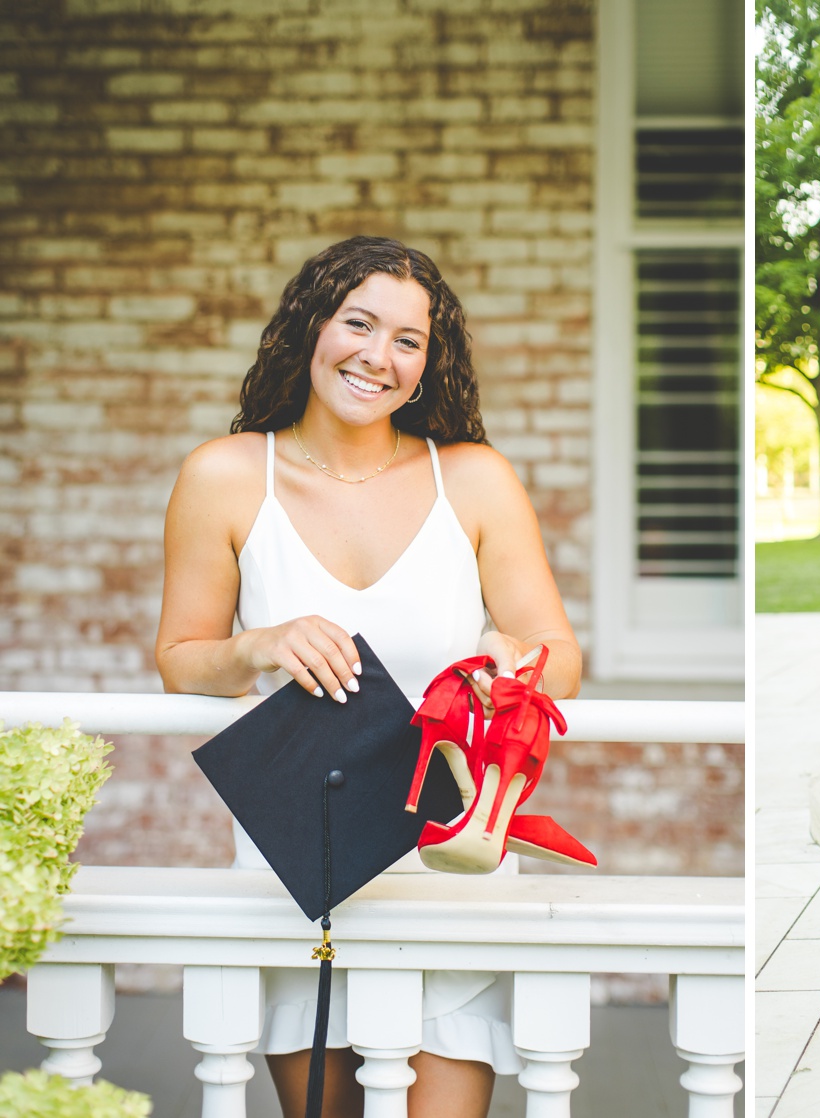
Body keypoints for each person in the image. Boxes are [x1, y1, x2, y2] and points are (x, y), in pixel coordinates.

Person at [156, 235, 581, 1118]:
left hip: (452, 862)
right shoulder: (225, 476)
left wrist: (513, 663)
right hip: (301, 862)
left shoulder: (474, 479)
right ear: (310, 326)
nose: (376, 357)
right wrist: (258, 644)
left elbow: (560, 656)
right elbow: (181, 658)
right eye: (358, 323)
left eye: (408, 340)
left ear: (428, 365)